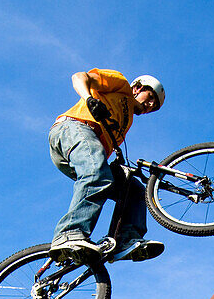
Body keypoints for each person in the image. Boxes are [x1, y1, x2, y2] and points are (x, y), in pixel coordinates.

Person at [48, 69, 166, 264]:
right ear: (137, 88)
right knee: (97, 173)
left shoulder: (126, 121)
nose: (150, 105)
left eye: (154, 107)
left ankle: (126, 241)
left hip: (85, 150)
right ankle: (69, 233)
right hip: (73, 128)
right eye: (151, 96)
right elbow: (79, 77)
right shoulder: (121, 86)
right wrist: (89, 99)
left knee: (134, 190)